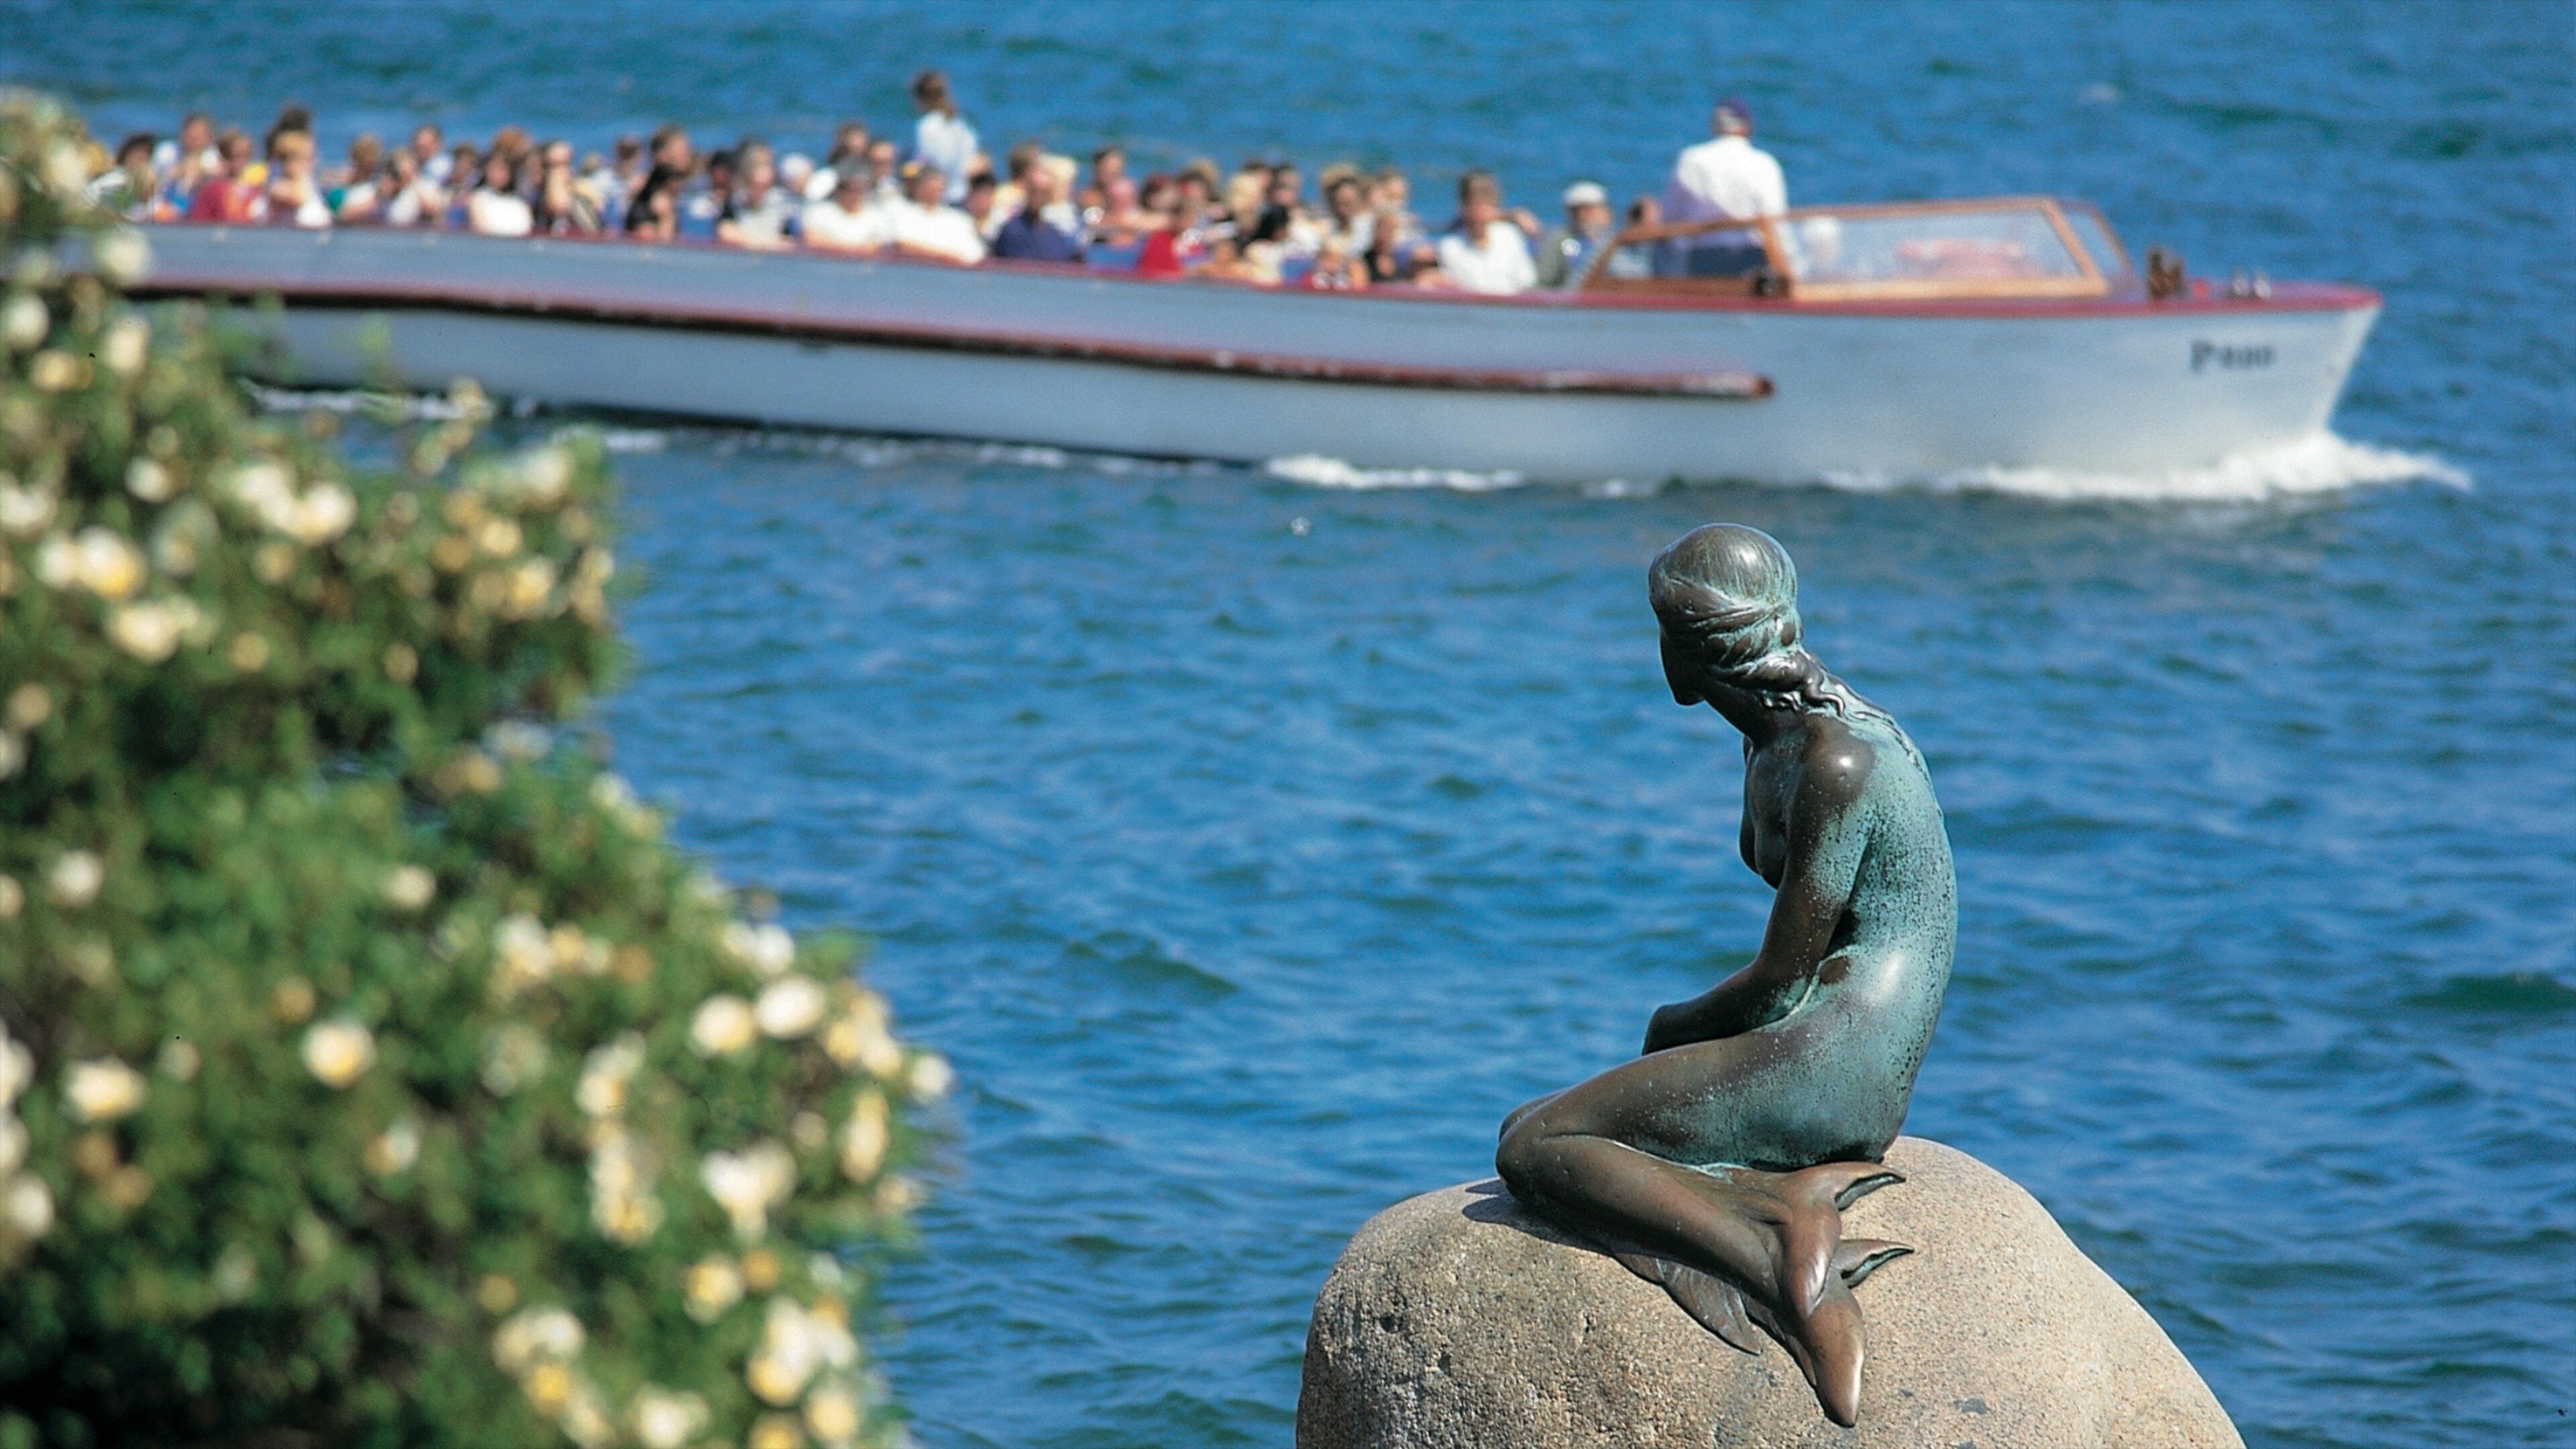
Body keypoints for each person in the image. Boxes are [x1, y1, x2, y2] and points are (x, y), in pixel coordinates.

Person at [1495, 524, 1955, 1428]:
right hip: (1823, 1029)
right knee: (1537, 1132)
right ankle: (1747, 1211)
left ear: (1684, 653)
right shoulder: (1774, 742)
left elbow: (1783, 983)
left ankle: (1774, 1244)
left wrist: (1673, 1027)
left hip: (1844, 1057)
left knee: (1537, 1148)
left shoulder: (1837, 760)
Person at [1664, 97, 1784, 276]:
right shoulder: (1764, 164)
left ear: (1715, 125)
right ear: (1746, 126)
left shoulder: (1692, 159)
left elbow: (1671, 216)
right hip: (1752, 258)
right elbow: (1776, 222)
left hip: (1703, 259)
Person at [1435, 170, 1536, 294]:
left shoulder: (1509, 236)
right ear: (1464, 206)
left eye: (1486, 203)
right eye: (1475, 203)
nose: (1481, 211)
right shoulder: (1450, 247)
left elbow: (1526, 282)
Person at [885, 162, 984, 264]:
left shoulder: (959, 219)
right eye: (930, 186)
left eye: (939, 187)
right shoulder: (901, 213)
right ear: (919, 187)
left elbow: (974, 254)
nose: (935, 191)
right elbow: (901, 243)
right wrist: (942, 256)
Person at [991, 158, 1082, 263]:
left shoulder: (1055, 236)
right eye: (1034, 191)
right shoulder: (1011, 231)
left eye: (1043, 193)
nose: (1038, 197)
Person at [910, 70, 978, 203]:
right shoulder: (959, 123)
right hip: (965, 193)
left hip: (943, 196)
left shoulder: (928, 125)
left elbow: (931, 162)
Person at [1537, 180, 1618, 288]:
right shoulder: (1561, 240)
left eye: (1590, 209)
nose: (1584, 215)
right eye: (1577, 210)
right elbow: (1544, 278)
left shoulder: (1617, 240)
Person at [716, 142, 796, 247]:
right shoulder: (736, 201)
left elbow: (788, 242)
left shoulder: (783, 202)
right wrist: (755, 243)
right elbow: (725, 231)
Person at [800, 165, 884, 253]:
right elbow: (812, 240)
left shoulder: (876, 216)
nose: (853, 194)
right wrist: (851, 249)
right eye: (847, 189)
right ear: (838, 190)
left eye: (858, 190)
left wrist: (838, 246)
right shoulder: (819, 212)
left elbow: (876, 246)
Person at [464, 152, 533, 237]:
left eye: (502, 170)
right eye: (492, 170)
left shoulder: (520, 202)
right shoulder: (478, 198)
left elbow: (526, 229)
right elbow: (483, 229)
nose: (497, 175)